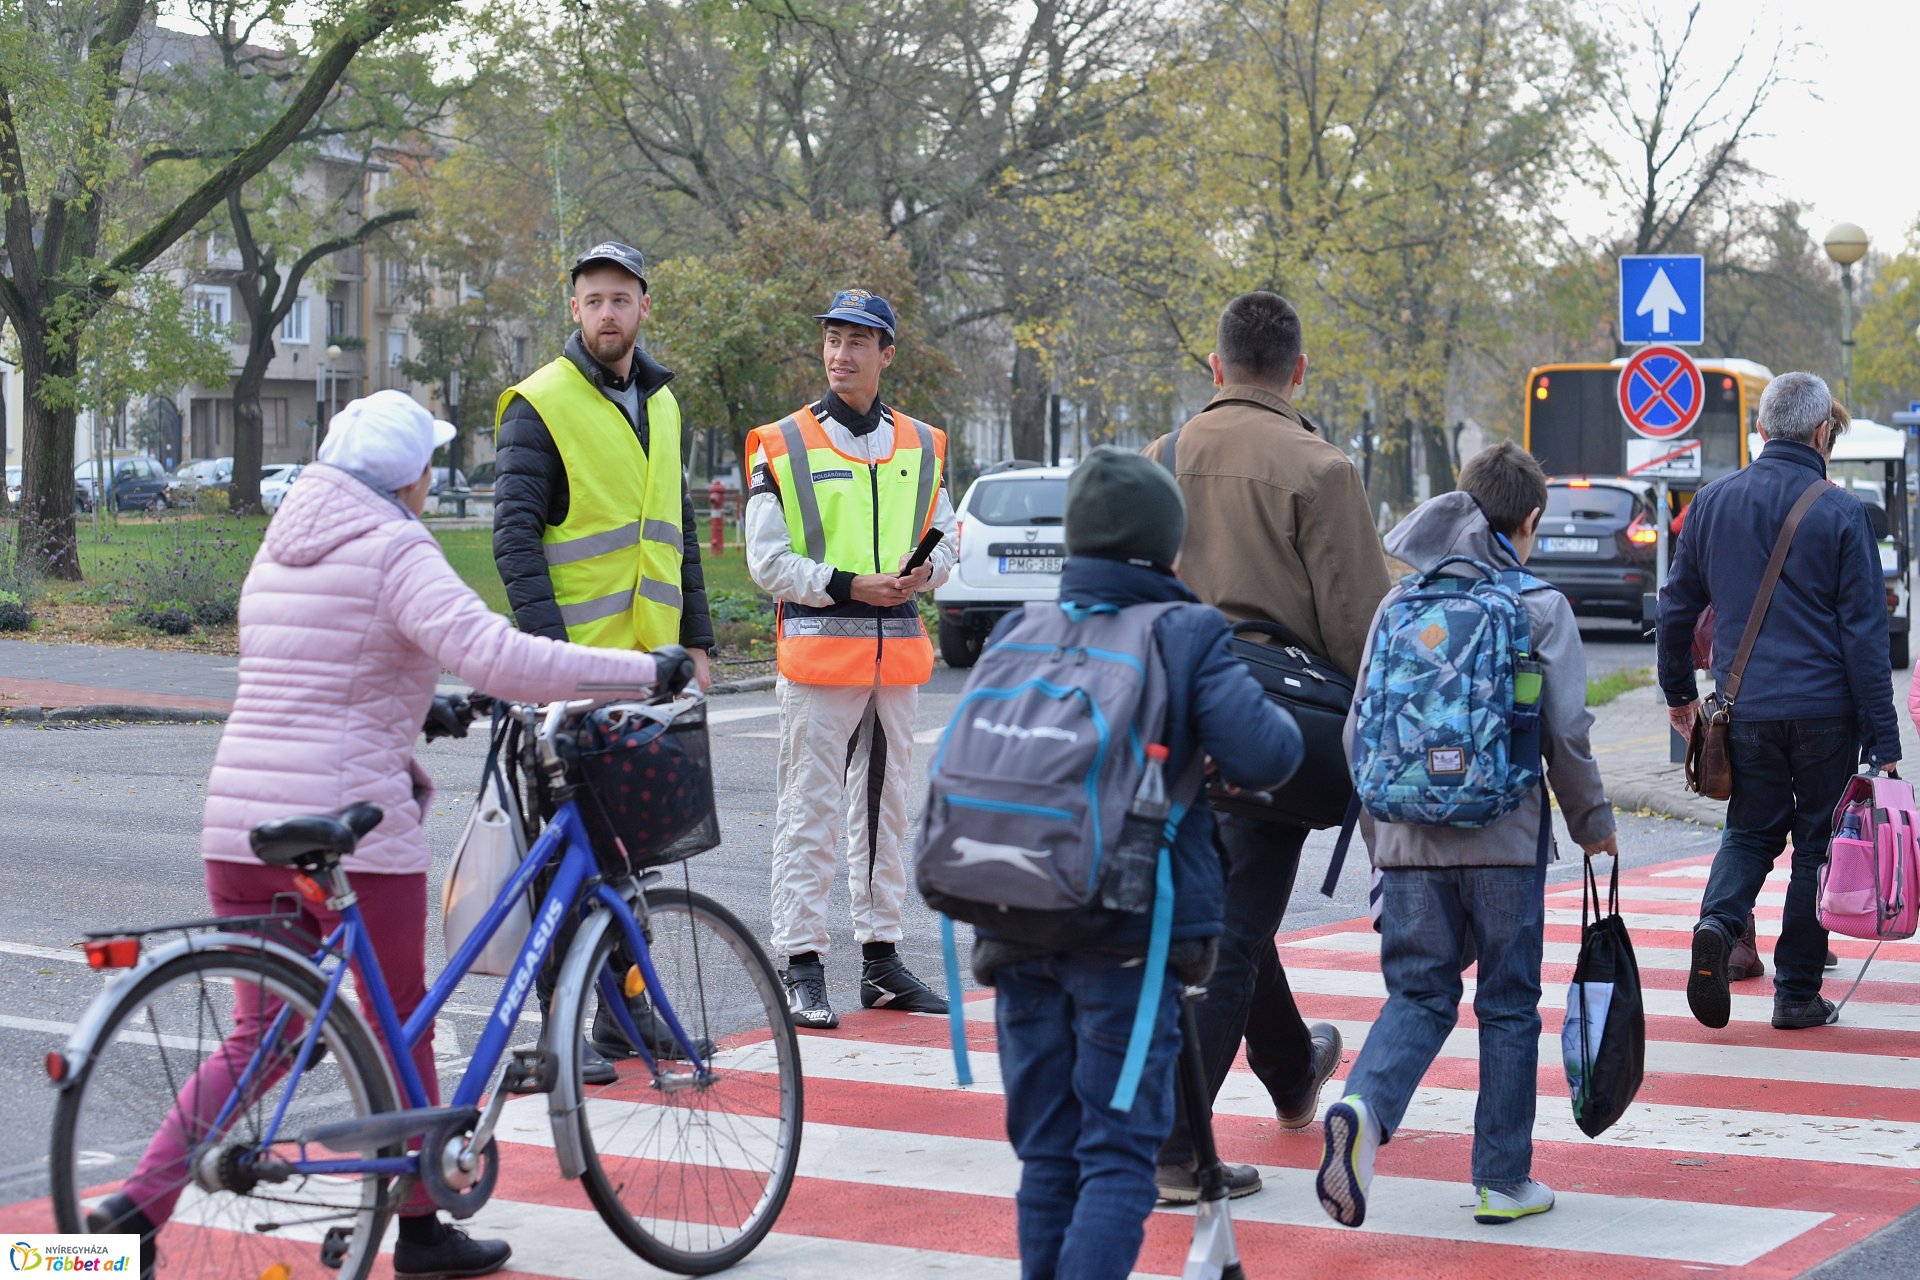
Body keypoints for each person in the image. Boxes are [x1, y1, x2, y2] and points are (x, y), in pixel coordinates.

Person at [89, 391, 669, 1279]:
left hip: (244, 826)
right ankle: (425, 1230)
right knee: (402, 1022)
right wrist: (638, 670)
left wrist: (418, 703)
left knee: (265, 1037)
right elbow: (500, 656)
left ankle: (128, 1212)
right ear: (412, 476)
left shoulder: (281, 548)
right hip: (350, 827)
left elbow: (317, 672)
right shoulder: (398, 546)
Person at [973, 447, 1303, 1280]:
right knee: (1119, 1158)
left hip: (1014, 921)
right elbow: (1270, 754)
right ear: (1168, 550)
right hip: (1128, 938)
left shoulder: (1020, 628)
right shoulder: (1185, 631)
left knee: (1050, 1159)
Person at [1316, 441, 1617, 1230]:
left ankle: (1364, 1112)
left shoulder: (1399, 604)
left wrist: (1389, 829)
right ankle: (1501, 1180)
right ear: (1531, 521)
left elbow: (1361, 731)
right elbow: (1567, 733)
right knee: (1509, 1004)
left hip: (1409, 838)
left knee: (1420, 992)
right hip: (1503, 839)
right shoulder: (1538, 605)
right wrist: (1593, 825)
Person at [1140, 290, 1389, 1201]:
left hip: (1165, 713)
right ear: (1298, 371)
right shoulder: (1322, 469)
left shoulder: (1159, 458)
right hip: (1265, 722)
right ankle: (1175, 1152)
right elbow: (1357, 626)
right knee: (1235, 930)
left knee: (1225, 910)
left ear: (1214, 367)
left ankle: (1290, 1069)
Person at [491, 240, 715, 1080]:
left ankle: (626, 1008)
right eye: (594, 299)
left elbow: (678, 531)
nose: (609, 313)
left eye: (622, 298)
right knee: (562, 854)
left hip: (645, 669)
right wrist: (551, 659)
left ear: (644, 307)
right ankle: (563, 1025)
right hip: (571, 675)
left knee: (630, 851)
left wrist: (695, 640)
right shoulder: (539, 405)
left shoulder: (661, 403)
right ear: (574, 310)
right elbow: (514, 541)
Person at [1657, 371, 1900, 1032]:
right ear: (1823, 433)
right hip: (1828, 713)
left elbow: (1675, 611)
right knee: (1817, 846)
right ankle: (1796, 994)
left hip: (1745, 708)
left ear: (1760, 430)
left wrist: (1680, 695)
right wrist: (1884, 741)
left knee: (1750, 830)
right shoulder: (1843, 512)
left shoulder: (1711, 503)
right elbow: (1864, 639)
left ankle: (1717, 923)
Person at [744, 288, 958, 1027]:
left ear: (886, 354)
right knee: (809, 812)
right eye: (833, 339)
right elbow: (767, 562)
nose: (841, 354)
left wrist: (923, 572)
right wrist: (847, 586)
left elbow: (949, 538)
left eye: (857, 342)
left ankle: (881, 961)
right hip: (817, 656)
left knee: (887, 814)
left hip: (894, 657)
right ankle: (801, 963)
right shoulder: (783, 442)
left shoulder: (923, 444)